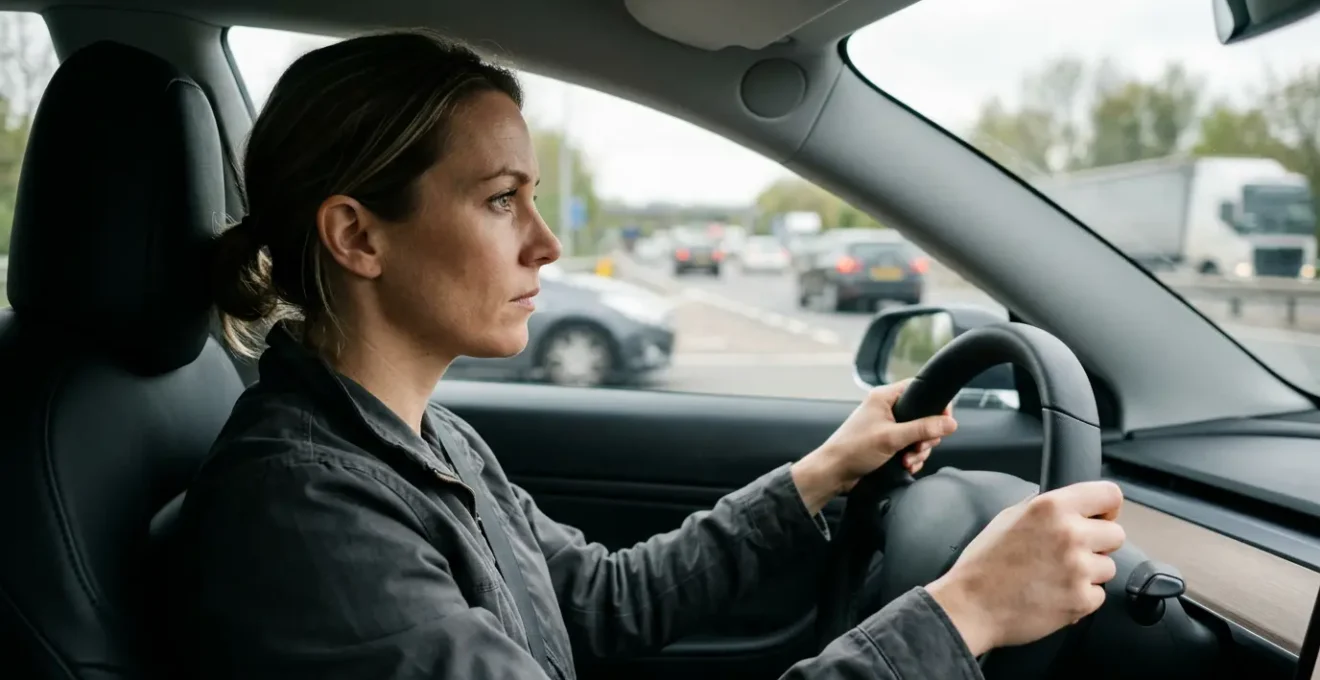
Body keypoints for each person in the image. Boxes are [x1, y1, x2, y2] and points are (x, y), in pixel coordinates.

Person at [171, 29, 1127, 680]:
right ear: (359, 236)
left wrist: (819, 476)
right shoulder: (304, 513)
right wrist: (962, 615)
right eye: (503, 199)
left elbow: (594, 601)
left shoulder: (423, 438)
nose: (545, 243)